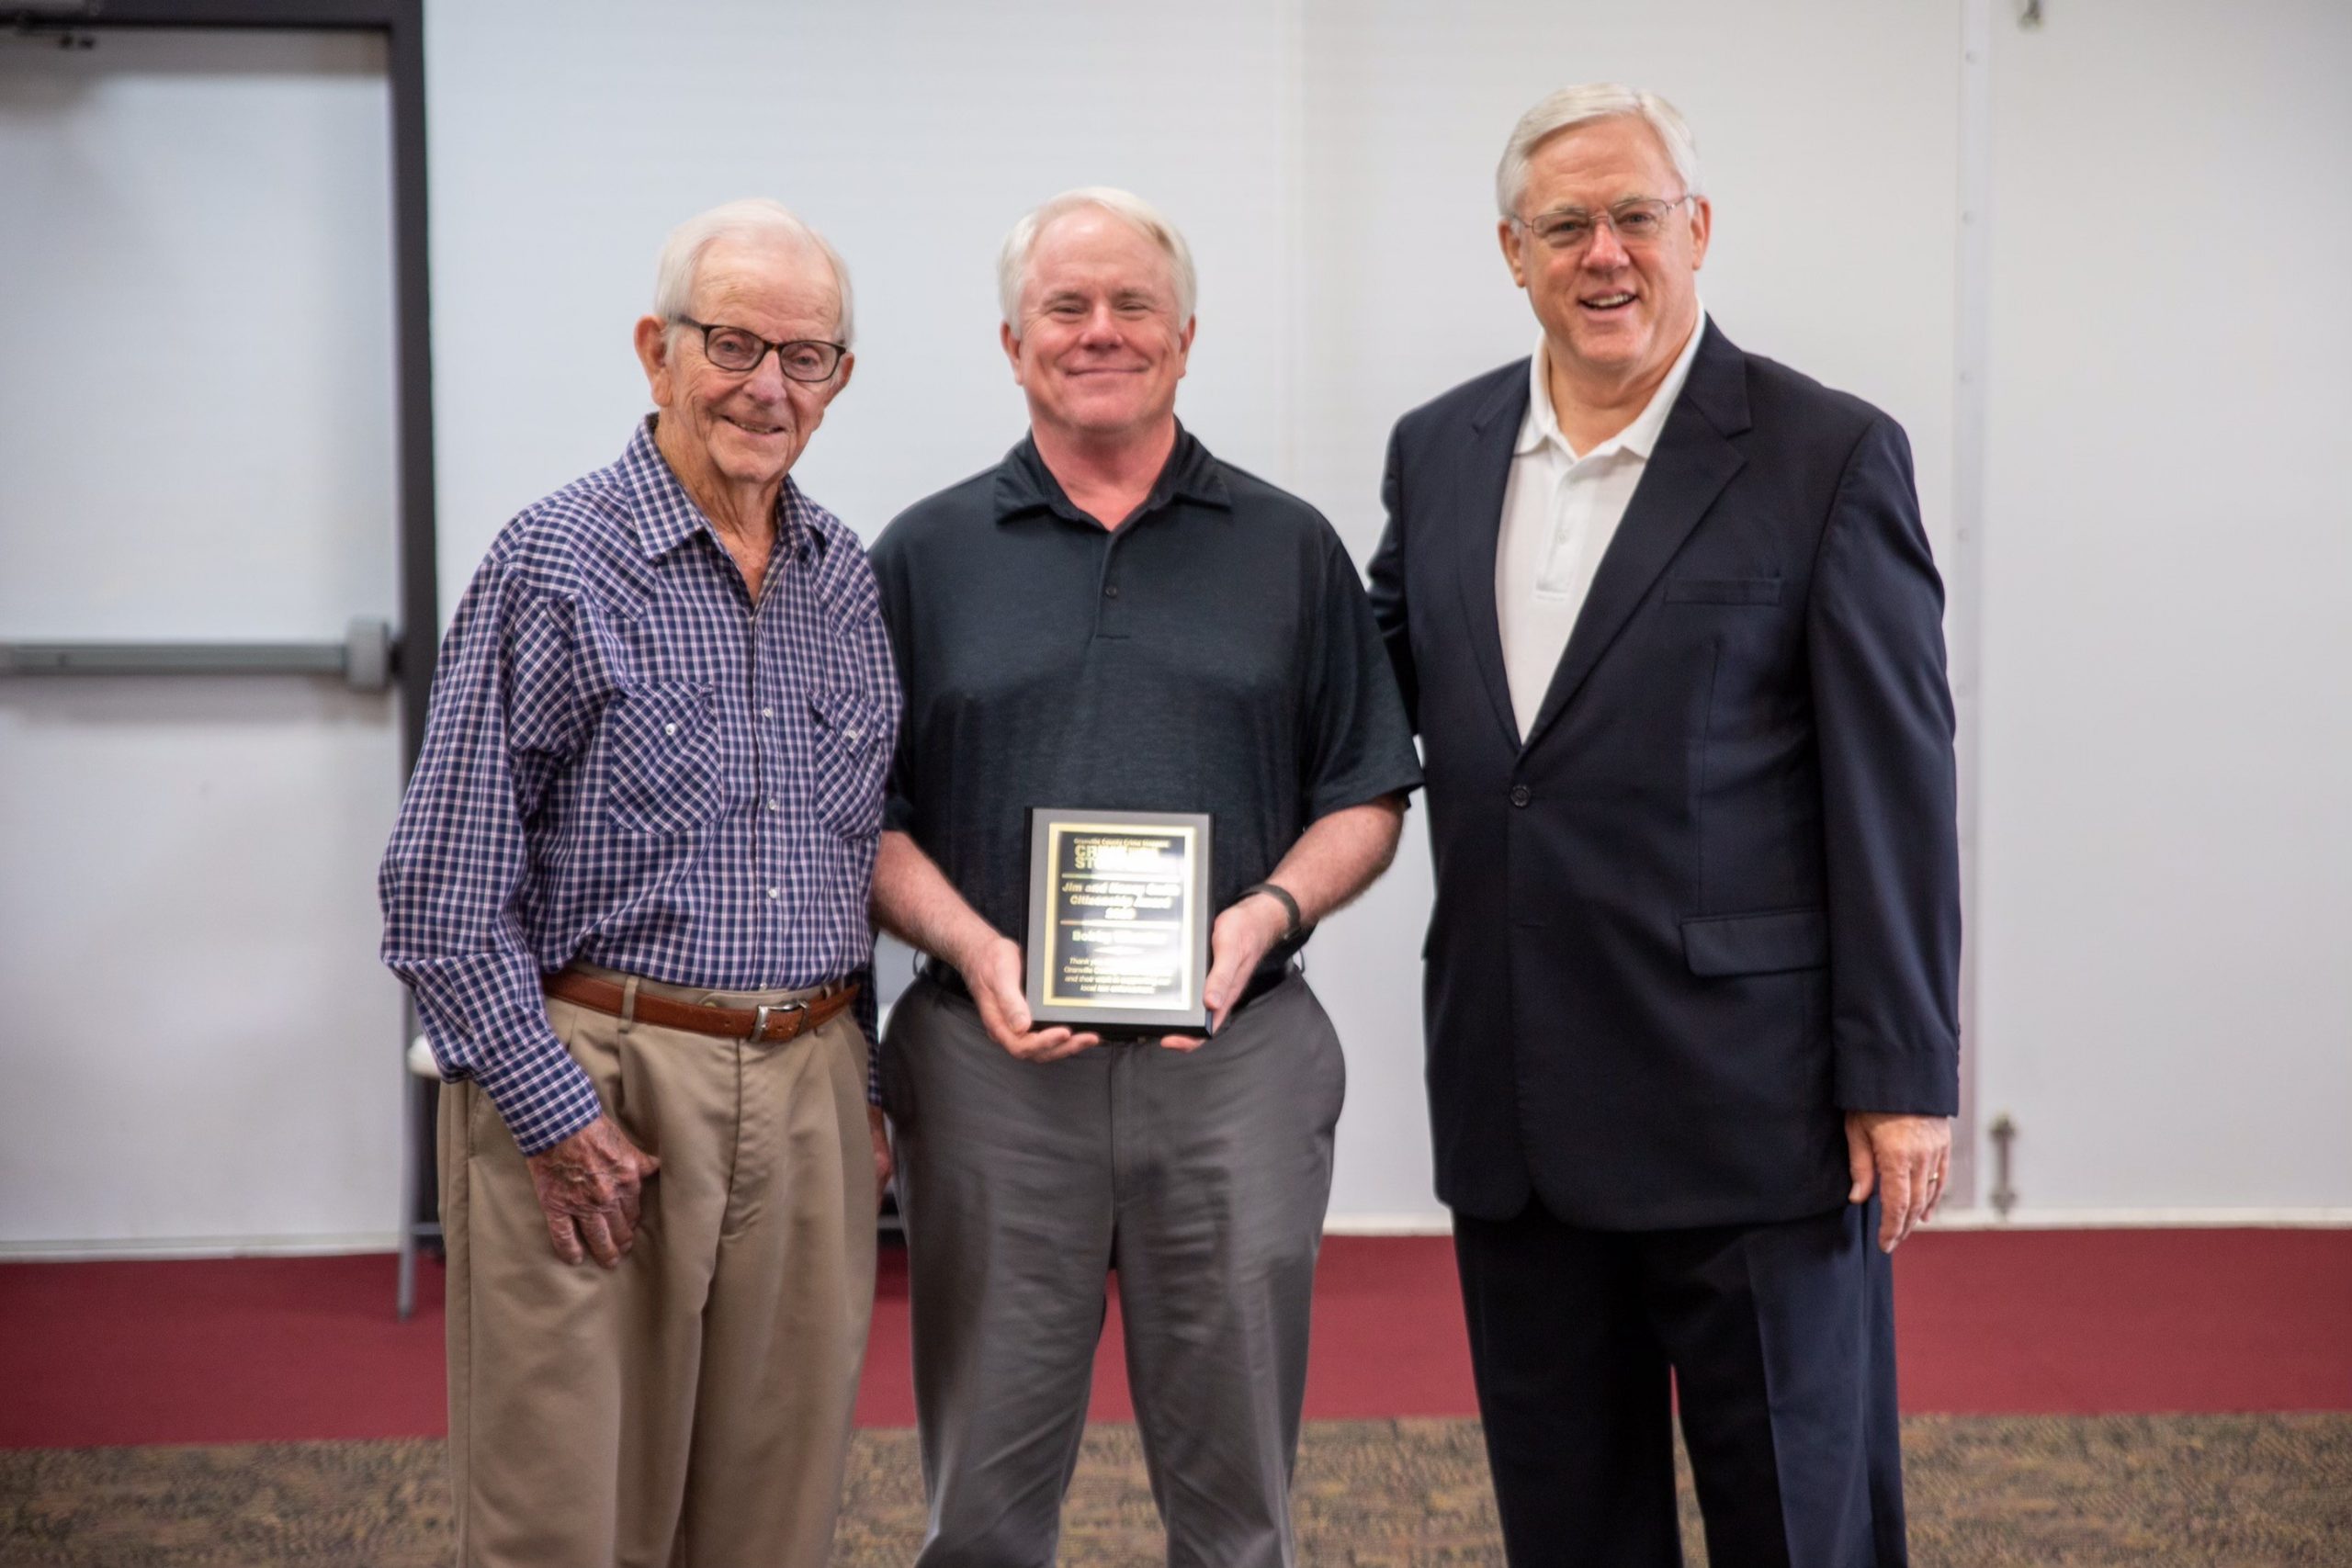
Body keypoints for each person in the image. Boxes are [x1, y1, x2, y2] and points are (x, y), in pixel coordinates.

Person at [1367, 85, 1961, 1566]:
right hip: (1517, 1116)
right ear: (1513, 253)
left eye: (1636, 215)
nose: (1605, 253)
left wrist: (1904, 1077)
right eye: (1564, 225)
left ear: (1697, 230)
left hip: (1754, 1120)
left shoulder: (1826, 455)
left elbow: (1896, 784)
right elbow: (1368, 705)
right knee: (1566, 1531)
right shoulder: (1436, 454)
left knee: (1799, 1526)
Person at [868, 186, 1421, 1567]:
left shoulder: (1289, 548)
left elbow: (1366, 795)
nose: (1099, 331)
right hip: (989, 1063)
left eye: (1131, 307)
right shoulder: (920, 557)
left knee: (1240, 1514)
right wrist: (977, 946)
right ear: (1011, 341)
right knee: (982, 1512)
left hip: (1234, 1058)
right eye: (1066, 307)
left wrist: (1269, 914)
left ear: (1184, 338)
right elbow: (858, 816)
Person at [379, 197, 897, 1568]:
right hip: (595, 1082)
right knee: (568, 1519)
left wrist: (870, 1095)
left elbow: (852, 859)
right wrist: (553, 1117)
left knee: (775, 1518)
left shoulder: (847, 580)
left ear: (841, 381)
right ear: (655, 350)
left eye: (807, 357)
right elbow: (439, 890)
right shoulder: (554, 562)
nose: (768, 387)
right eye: (733, 344)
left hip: (809, 1081)